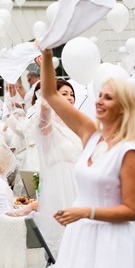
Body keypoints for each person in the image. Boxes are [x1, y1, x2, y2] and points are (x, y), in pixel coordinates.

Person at [38, 48, 135, 268]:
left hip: (111, 242)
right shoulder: (90, 135)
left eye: (108, 98)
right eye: (99, 95)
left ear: (124, 106)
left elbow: (131, 210)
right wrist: (47, 53)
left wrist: (86, 212)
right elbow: (49, 93)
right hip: (81, 239)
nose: (99, 101)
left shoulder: (129, 152)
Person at [33, 79, 82, 256]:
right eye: (64, 94)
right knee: (64, 244)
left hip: (79, 187)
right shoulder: (48, 127)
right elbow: (44, 116)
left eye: (72, 95)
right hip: (60, 188)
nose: (70, 98)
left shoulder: (75, 127)